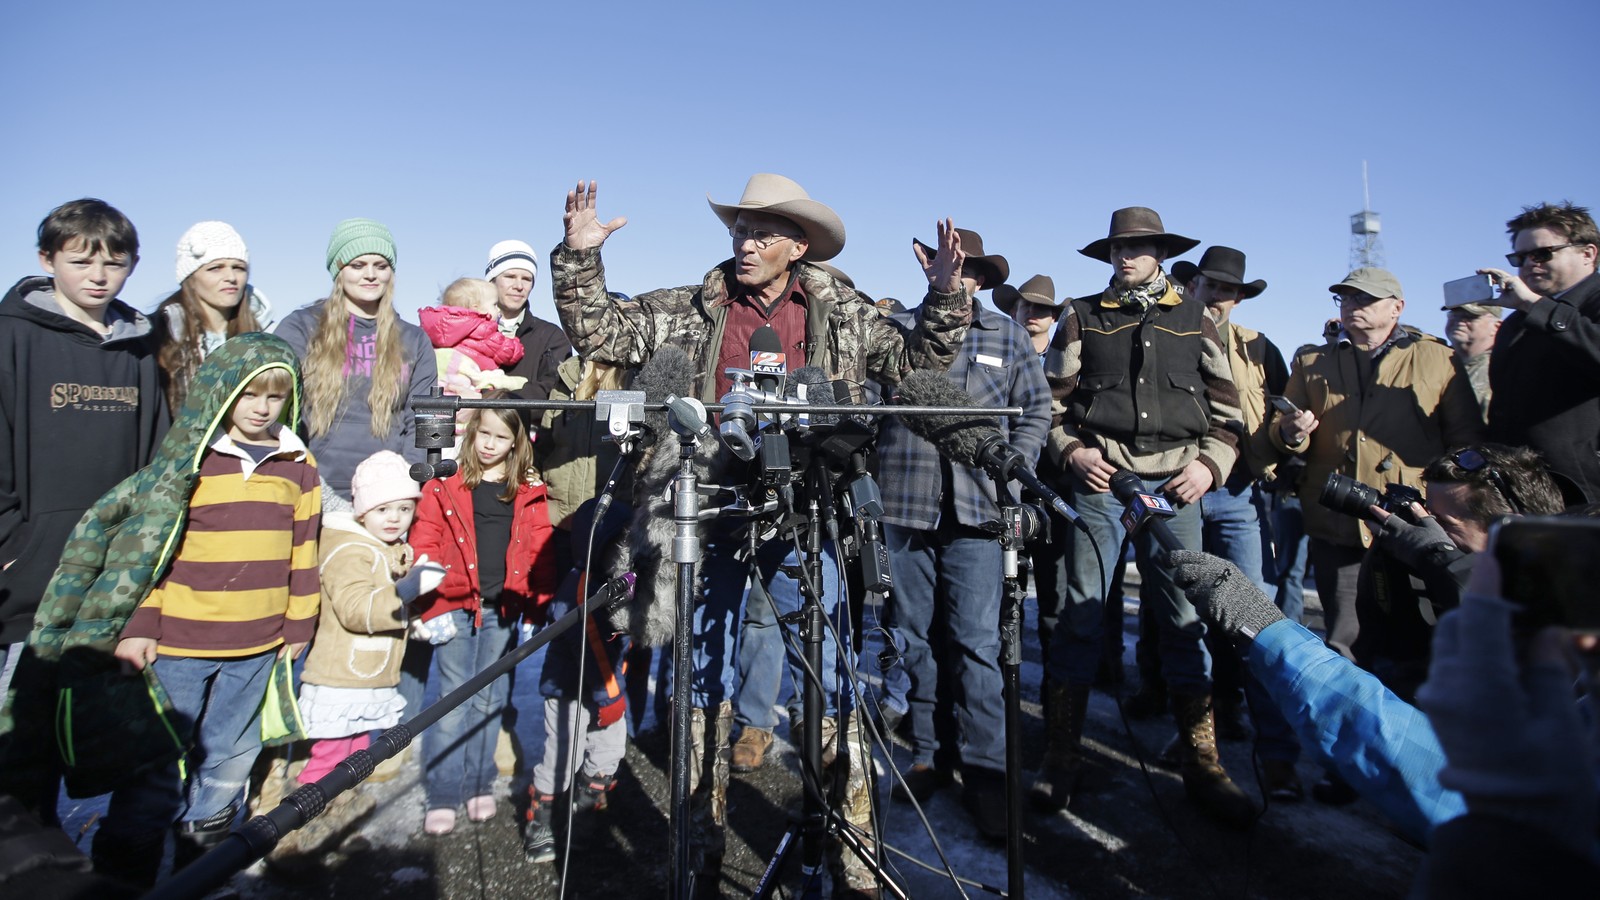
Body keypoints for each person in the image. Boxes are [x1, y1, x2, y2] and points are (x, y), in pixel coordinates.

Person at [550, 174, 973, 882]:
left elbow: (918, 363)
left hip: (810, 508)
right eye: (739, 231)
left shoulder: (844, 309)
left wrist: (944, 298)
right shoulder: (696, 304)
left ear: (797, 245)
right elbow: (599, 331)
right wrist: (580, 257)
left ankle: (851, 846)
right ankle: (701, 844)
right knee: (702, 668)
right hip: (708, 507)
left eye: (761, 234)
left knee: (834, 670)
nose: (744, 245)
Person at [1, 334, 317, 886]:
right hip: (179, 646)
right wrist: (142, 621)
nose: (262, 408)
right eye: (250, 395)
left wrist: (299, 621)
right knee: (156, 765)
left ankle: (205, 870)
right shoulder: (190, 466)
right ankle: (126, 875)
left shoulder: (298, 468)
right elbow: (151, 551)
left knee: (229, 757)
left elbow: (304, 551)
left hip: (258, 645)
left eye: (275, 396)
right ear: (222, 394)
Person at [1032, 207, 1256, 828]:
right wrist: (1071, 450)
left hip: (1177, 487)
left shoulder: (1197, 318)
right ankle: (1061, 755)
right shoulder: (1082, 315)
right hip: (1102, 485)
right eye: (1117, 248)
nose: (1125, 256)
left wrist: (1211, 465)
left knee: (1183, 621)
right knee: (1079, 615)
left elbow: (1229, 412)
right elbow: (1051, 406)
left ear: (1160, 251)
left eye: (1139, 246)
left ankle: (1202, 761)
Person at [878, 229, 1050, 841]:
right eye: (946, 265)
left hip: (981, 509)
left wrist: (1015, 467)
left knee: (979, 643)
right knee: (913, 637)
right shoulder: (894, 329)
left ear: (981, 277)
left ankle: (987, 771)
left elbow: (1036, 410)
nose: (957, 277)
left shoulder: (1006, 333)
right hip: (904, 506)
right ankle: (927, 752)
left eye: (969, 269)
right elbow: (869, 408)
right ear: (925, 267)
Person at [0, 199, 166, 702]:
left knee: (90, 748)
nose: (99, 276)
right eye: (80, 262)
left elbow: (155, 462)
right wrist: (11, 547)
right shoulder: (12, 335)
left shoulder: (138, 344)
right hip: (27, 588)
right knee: (18, 751)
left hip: (112, 584)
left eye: (115, 264)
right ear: (46, 259)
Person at [1272, 267, 1483, 663]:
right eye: (1346, 298)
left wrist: (1453, 513)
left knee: (1420, 638)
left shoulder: (1438, 358)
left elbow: (1465, 441)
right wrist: (1291, 431)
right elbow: (1279, 432)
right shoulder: (1312, 360)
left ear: (1397, 308)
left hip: (1412, 523)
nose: (1353, 306)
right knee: (1343, 641)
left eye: (1364, 299)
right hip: (1336, 518)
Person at [273, 451, 444, 864]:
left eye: (404, 509)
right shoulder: (350, 549)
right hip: (339, 679)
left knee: (353, 760)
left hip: (365, 678)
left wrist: (415, 618)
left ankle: (338, 823)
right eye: (383, 508)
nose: (394, 518)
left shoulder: (383, 547)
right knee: (327, 762)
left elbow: (387, 604)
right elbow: (356, 608)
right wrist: (408, 593)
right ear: (363, 509)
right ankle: (296, 837)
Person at [408, 403, 559, 835]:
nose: (490, 444)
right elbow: (427, 540)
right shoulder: (447, 483)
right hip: (454, 605)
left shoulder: (526, 490)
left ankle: (478, 784)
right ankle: (443, 792)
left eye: (501, 437)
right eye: (484, 434)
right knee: (453, 698)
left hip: (502, 609)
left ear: (516, 443)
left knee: (490, 699)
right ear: (472, 432)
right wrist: (426, 603)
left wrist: (537, 604)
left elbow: (537, 550)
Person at [1353, 443, 1564, 701]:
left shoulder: (1566, 592)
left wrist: (1434, 554)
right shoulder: (1434, 570)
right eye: (1425, 513)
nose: (1425, 528)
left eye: (1442, 523)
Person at [274, 218, 437, 503]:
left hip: (387, 497)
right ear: (338, 270)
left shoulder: (414, 340)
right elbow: (276, 406)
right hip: (309, 488)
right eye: (358, 265)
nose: (371, 275)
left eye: (381, 266)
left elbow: (423, 422)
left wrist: (404, 484)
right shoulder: (301, 328)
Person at [523, 498, 633, 864]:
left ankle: (583, 815)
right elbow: (595, 653)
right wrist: (610, 697)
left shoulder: (620, 582)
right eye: (621, 544)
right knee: (562, 758)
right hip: (573, 690)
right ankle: (541, 821)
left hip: (608, 688)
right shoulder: (579, 592)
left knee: (608, 752)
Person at [1479, 201, 1600, 502]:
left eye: (1542, 253)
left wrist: (1535, 306)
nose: (1529, 264)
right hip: (1521, 484)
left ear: (1588, 253)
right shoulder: (1519, 318)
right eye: (1519, 257)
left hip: (1584, 489)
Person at [154, 220, 274, 411]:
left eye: (239, 268)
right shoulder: (160, 337)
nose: (231, 277)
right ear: (191, 278)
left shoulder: (266, 336)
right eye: (216, 268)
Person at [419, 277, 528, 442]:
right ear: (478, 309)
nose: (498, 311)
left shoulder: (439, 329)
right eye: (494, 305)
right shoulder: (482, 328)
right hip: (469, 382)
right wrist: (517, 345)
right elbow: (508, 352)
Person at [485, 239, 572, 401]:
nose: (519, 286)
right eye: (510, 276)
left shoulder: (551, 337)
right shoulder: (466, 330)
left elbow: (552, 390)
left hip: (526, 425)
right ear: (492, 280)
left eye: (526, 279)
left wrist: (486, 402)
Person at [1440, 301, 1500, 421]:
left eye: (1471, 317)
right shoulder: (1438, 364)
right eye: (1453, 315)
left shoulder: (1500, 368)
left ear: (1496, 327)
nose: (1459, 322)